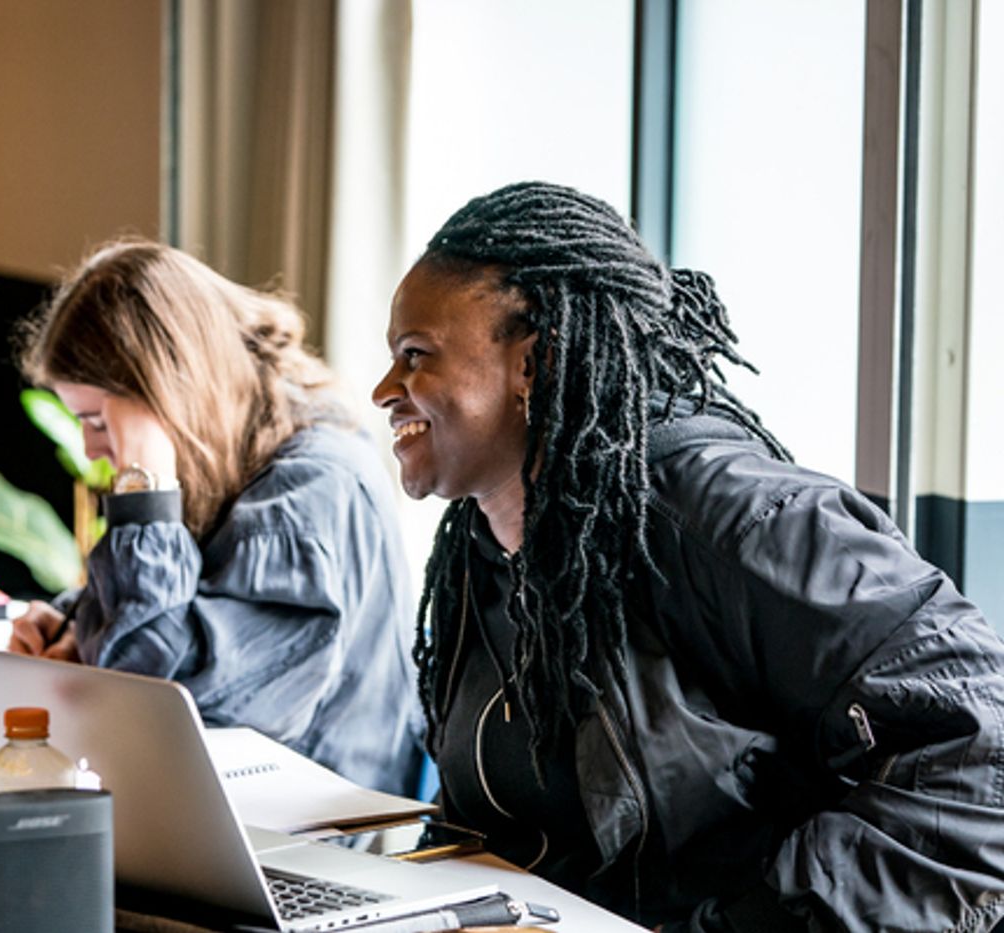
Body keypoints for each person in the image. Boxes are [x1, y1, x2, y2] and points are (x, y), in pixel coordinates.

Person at [371, 180, 1004, 932]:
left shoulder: (731, 516)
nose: (385, 390)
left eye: (416, 357)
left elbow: (979, 751)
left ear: (532, 364)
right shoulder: (480, 548)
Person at [8, 237, 424, 797]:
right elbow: (182, 612)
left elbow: (164, 707)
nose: (91, 450)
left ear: (171, 399)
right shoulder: (240, 454)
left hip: (306, 840)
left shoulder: (310, 492)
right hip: (225, 813)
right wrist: (73, 625)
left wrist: (146, 485)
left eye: (103, 422)